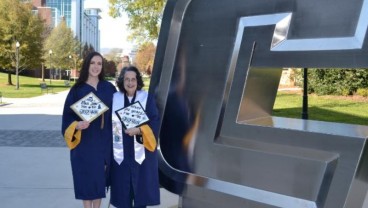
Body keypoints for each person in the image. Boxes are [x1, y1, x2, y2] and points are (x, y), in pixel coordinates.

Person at [61, 51, 117, 208]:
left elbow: (119, 112)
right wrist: (77, 125)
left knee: (99, 180)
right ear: (87, 65)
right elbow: (67, 117)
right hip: (84, 144)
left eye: (99, 63)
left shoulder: (109, 88)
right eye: (93, 63)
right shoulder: (77, 90)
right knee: (86, 180)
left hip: (103, 143)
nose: (96, 66)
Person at [110, 66, 160, 208]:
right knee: (122, 196)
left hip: (141, 155)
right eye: (127, 79)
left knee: (140, 195)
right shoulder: (115, 99)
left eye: (133, 79)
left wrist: (139, 130)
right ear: (122, 81)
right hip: (121, 155)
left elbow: (154, 120)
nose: (130, 82)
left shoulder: (147, 98)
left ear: (137, 81)